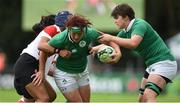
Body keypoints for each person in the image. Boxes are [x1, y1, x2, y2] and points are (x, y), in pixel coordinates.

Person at [98, 4, 177, 102]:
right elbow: (114, 42)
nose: (115, 21)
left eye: (116, 18)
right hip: (152, 65)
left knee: (149, 95)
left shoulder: (139, 24)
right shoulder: (126, 31)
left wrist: (110, 37)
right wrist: (96, 49)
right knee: (142, 99)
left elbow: (133, 43)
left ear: (126, 17)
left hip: (164, 63)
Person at [38, 14, 121, 102]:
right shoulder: (60, 38)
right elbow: (42, 49)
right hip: (64, 74)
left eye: (79, 34)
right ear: (69, 29)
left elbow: (109, 40)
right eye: (74, 34)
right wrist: (42, 70)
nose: (76, 37)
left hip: (82, 72)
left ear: (84, 30)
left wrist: (118, 52)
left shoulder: (89, 32)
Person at [14, 11, 72, 102]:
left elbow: (46, 64)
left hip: (29, 66)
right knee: (43, 98)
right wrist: (41, 71)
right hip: (27, 65)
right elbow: (42, 49)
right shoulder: (55, 29)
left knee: (51, 96)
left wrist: (64, 74)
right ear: (66, 23)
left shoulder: (60, 36)